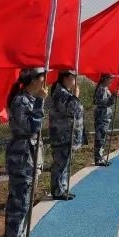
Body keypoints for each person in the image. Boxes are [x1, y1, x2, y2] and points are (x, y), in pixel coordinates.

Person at [1, 68, 47, 237]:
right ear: (34, 80)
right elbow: (31, 126)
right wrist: (40, 102)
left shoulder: (28, 99)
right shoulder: (21, 101)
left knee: (25, 202)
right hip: (21, 157)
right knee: (19, 204)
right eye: (42, 77)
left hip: (29, 155)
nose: (45, 81)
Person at [49, 70, 82, 201]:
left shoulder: (65, 92)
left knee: (64, 163)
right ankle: (57, 191)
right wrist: (76, 95)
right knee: (60, 164)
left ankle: (62, 188)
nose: (75, 80)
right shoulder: (60, 93)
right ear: (67, 78)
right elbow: (72, 110)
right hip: (61, 134)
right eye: (74, 77)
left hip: (66, 134)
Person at [93, 73, 116, 166]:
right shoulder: (101, 89)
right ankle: (98, 158)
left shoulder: (105, 89)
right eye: (110, 78)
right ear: (104, 79)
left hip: (105, 117)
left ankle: (100, 157)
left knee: (103, 137)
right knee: (100, 138)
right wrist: (112, 97)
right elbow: (101, 102)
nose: (112, 81)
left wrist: (112, 97)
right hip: (101, 117)